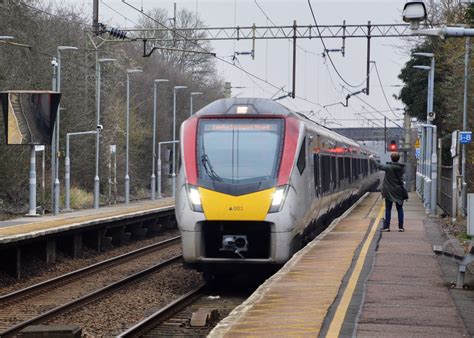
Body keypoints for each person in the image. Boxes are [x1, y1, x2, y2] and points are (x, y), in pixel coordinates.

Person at [378, 152, 408, 232]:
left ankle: (387, 227)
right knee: (400, 209)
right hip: (398, 190)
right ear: (398, 159)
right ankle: (401, 227)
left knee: (388, 209)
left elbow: (379, 166)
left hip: (389, 191)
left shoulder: (389, 167)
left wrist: (371, 159)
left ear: (391, 158)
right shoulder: (401, 168)